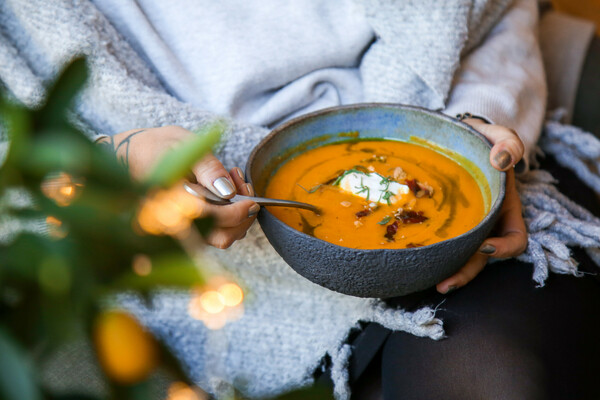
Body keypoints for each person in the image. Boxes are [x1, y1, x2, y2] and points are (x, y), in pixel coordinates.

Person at [1, 0, 599, 398]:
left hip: (441, 129)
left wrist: (478, 126)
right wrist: (107, 164)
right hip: (216, 275)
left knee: (493, 378)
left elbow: (489, 12)